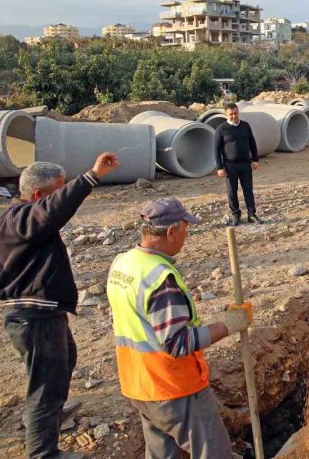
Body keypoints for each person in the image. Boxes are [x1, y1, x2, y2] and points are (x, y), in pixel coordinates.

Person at [0, 152, 121, 459]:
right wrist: (91, 176)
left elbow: (52, 209)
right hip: (34, 318)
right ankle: (43, 452)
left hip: (45, 313)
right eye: (57, 190)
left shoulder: (23, 219)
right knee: (46, 386)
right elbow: (53, 210)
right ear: (38, 195)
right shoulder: (22, 218)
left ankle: (47, 416)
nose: (61, 197)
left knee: (63, 363)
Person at [106, 197, 253, 459]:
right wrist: (230, 324)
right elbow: (178, 343)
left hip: (140, 385)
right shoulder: (161, 279)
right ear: (171, 231)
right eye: (186, 228)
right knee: (214, 453)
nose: (187, 235)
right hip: (174, 388)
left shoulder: (123, 263)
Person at [215, 102, 261, 226]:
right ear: (226, 115)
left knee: (248, 190)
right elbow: (216, 149)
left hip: (246, 164)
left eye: (236, 113)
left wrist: (255, 159)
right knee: (232, 192)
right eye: (231, 114)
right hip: (230, 166)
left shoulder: (245, 126)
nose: (234, 116)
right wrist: (220, 167)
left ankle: (251, 214)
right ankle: (236, 215)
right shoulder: (221, 129)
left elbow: (252, 143)